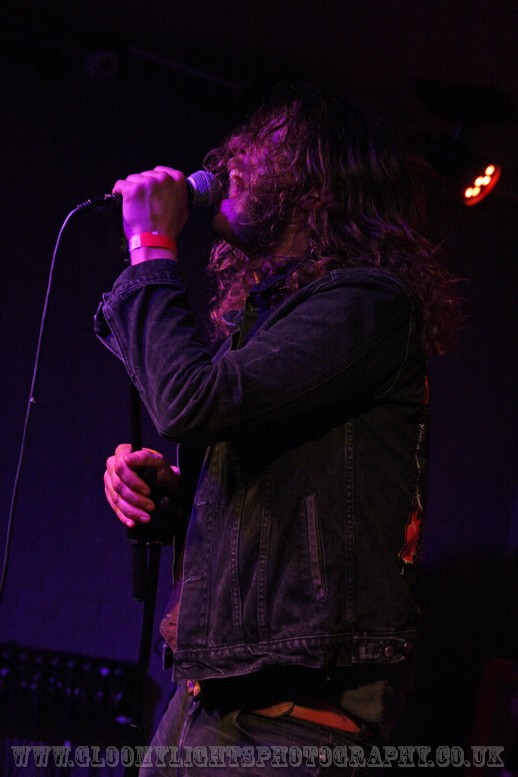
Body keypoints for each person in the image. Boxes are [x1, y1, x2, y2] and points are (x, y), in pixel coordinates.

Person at [97, 86, 460, 775]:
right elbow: (282, 510)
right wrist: (172, 501)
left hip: (288, 724)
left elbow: (185, 400)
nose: (232, 160)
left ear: (322, 181)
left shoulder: (367, 304)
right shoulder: (272, 323)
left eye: (266, 149)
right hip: (209, 703)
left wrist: (150, 246)